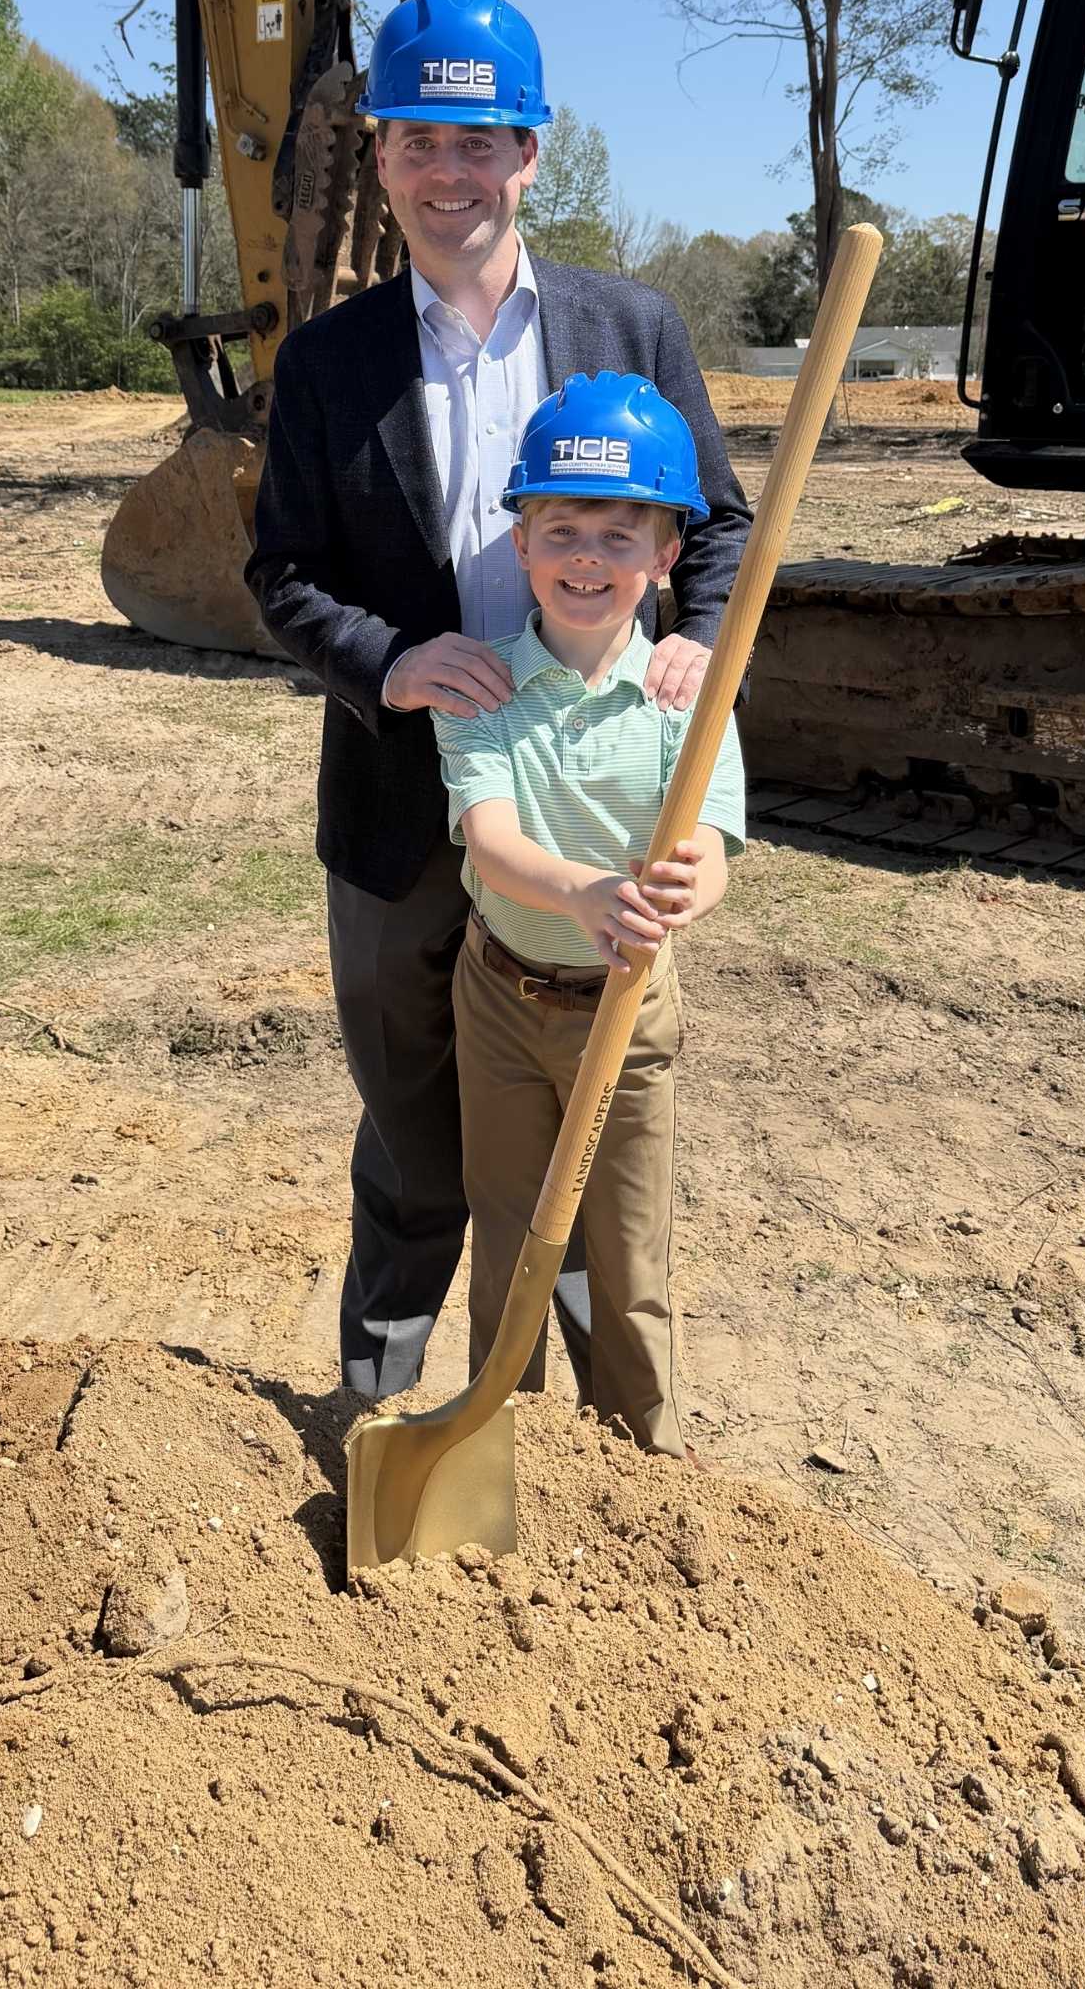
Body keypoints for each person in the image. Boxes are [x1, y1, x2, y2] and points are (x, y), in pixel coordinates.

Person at [246, 0, 751, 1399]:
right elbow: (279, 574)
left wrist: (695, 643)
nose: (447, 173)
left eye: (480, 143)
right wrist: (391, 663)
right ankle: (379, 1400)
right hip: (408, 818)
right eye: (417, 140)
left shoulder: (627, 329)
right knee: (415, 1154)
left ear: (530, 152)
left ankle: (591, 1444)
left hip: (589, 815)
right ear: (382, 155)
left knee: (581, 1159)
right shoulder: (330, 363)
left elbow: (715, 525)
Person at [433, 373, 743, 1457]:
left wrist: (676, 893)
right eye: (561, 528)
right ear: (520, 543)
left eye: (621, 535)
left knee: (627, 1261)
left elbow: (711, 848)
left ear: (666, 557)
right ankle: (494, 1455)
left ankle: (640, 1467)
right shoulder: (482, 689)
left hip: (630, 1009)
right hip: (503, 1003)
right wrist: (587, 892)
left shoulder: (688, 695)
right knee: (510, 1243)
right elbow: (493, 842)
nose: (587, 558)